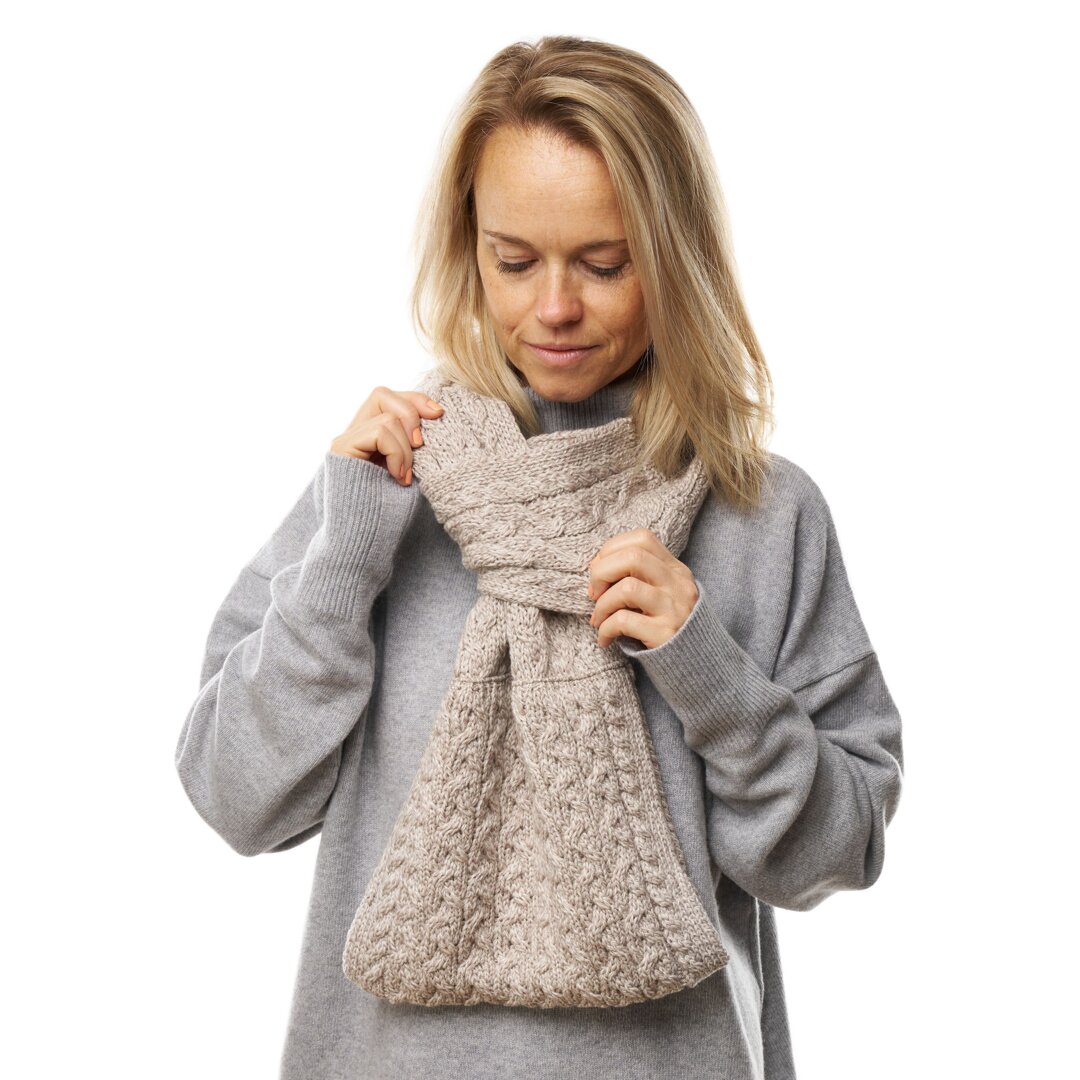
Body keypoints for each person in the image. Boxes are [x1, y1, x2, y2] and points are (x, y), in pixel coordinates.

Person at [175, 35, 904, 1080]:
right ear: (467, 246)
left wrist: (712, 676)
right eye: (513, 260)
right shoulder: (383, 482)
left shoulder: (763, 513)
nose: (554, 307)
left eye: (605, 264)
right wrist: (343, 564)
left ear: (677, 255)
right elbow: (235, 798)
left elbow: (834, 855)